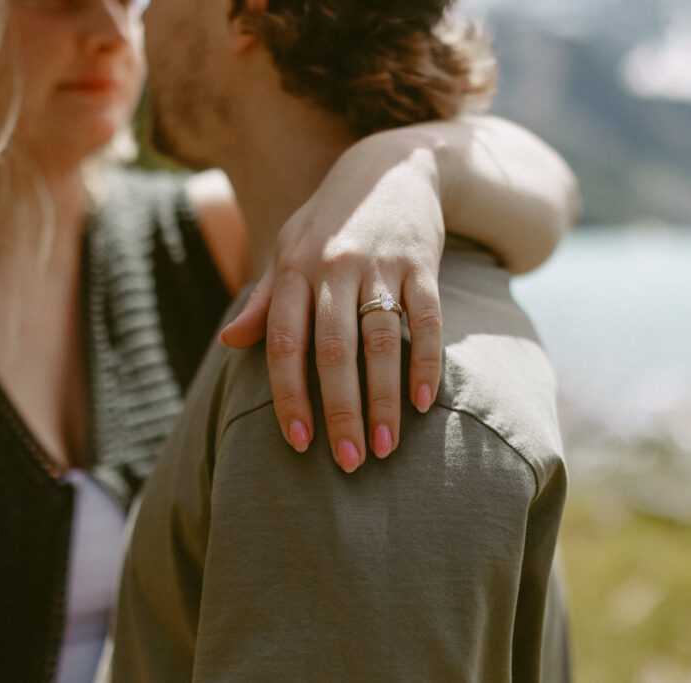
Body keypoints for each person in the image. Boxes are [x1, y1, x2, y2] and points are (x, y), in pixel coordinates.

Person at [0, 0, 577, 681]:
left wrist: (411, 170)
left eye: (126, 0)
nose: (113, 32)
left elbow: (552, 191)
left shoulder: (190, 239)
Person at [110, 0, 574, 680]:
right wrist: (412, 163)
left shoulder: (340, 373)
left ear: (251, 12)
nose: (141, 19)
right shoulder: (406, 304)